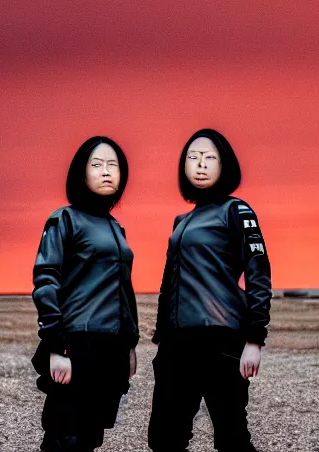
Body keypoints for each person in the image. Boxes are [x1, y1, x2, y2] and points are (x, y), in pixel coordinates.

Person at [148, 128, 272, 452]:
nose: (200, 165)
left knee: (231, 438)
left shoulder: (237, 211)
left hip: (222, 343)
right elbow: (168, 281)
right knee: (164, 439)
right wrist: (161, 337)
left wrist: (255, 339)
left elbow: (258, 273)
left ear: (224, 165)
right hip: (177, 346)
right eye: (193, 158)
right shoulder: (180, 222)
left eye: (209, 158)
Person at [31, 136, 139, 452]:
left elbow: (124, 289)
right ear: (82, 172)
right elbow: (46, 280)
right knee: (64, 437)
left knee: (91, 437)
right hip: (77, 344)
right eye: (97, 165)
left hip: (112, 348)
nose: (106, 172)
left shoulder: (116, 229)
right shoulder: (64, 219)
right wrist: (57, 347)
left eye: (113, 166)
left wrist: (130, 344)